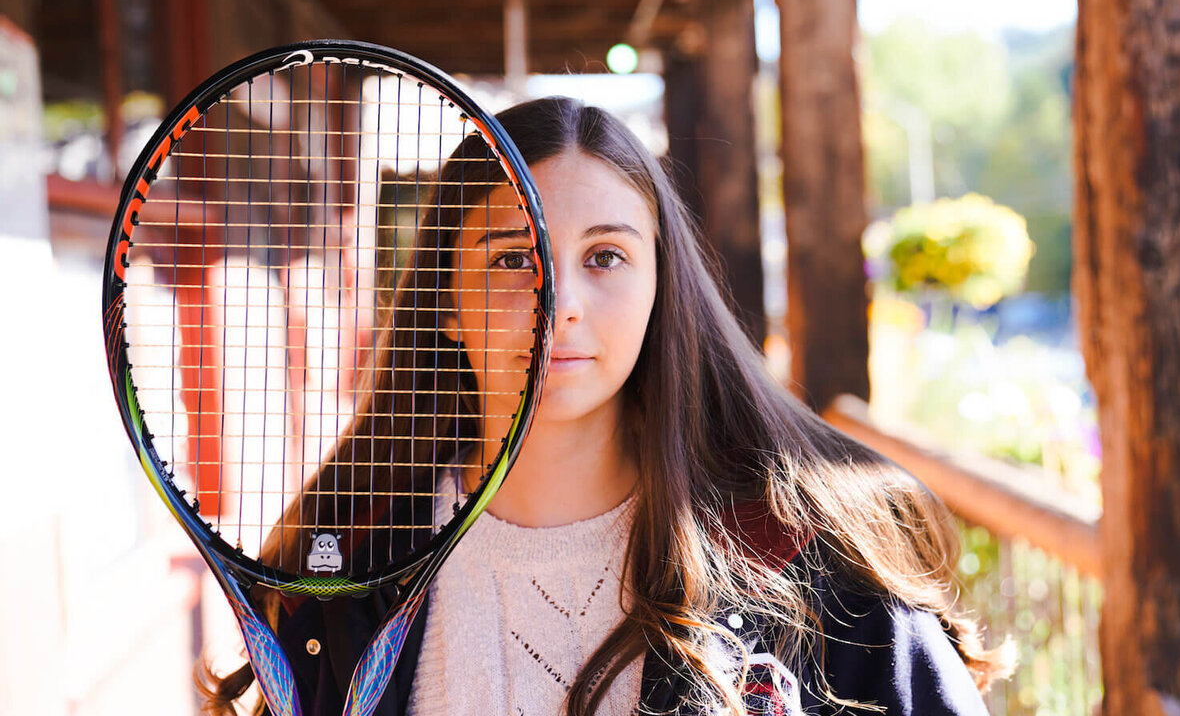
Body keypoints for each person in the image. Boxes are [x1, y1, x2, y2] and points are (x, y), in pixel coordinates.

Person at [201, 96, 1010, 716]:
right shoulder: (342, 571)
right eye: (515, 257)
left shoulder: (801, 556)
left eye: (606, 257)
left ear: (662, 287)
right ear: (444, 298)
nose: (561, 304)